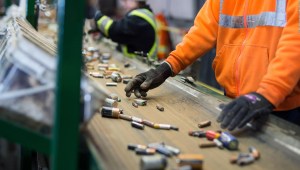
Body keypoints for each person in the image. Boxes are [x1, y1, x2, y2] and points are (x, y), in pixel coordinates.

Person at [124, 0, 300, 130]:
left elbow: (295, 45)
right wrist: (169, 65)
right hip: (233, 101)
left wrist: (269, 93)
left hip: (280, 106)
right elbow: (202, 31)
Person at [87, 0, 158, 60]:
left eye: (126, 1)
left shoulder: (139, 18)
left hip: (141, 68)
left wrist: (96, 15)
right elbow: (124, 36)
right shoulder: (142, 14)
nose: (124, 5)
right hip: (137, 64)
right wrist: (101, 31)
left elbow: (116, 31)